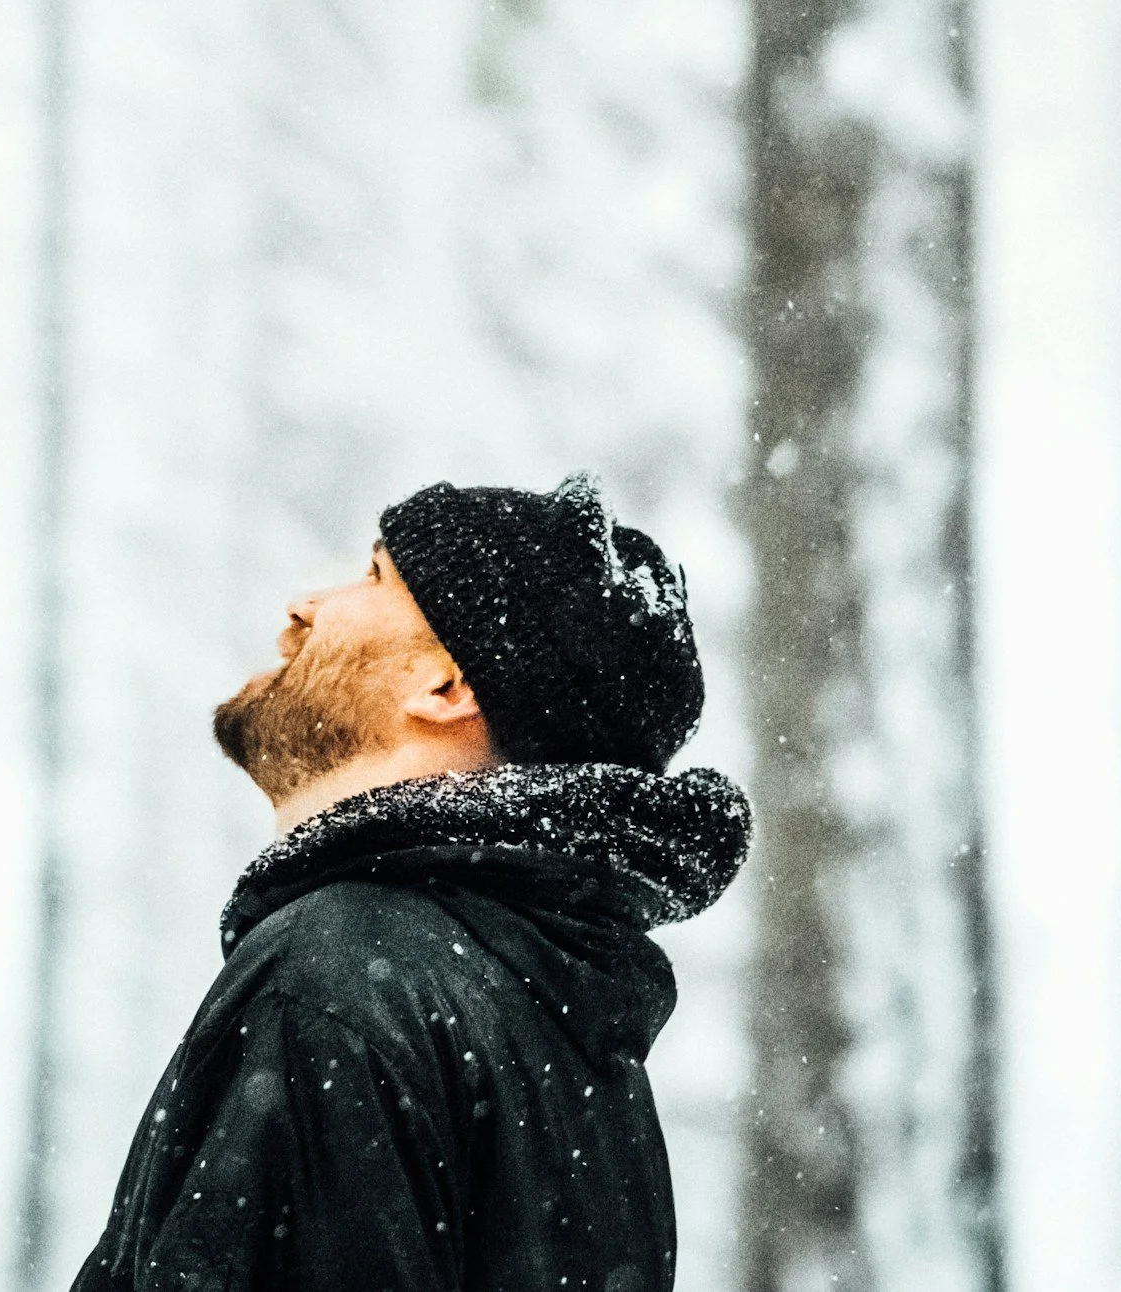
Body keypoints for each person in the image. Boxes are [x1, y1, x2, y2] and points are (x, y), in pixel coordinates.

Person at [69, 472, 752, 1292]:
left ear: (446, 686)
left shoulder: (338, 980)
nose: (303, 607)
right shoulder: (561, 1025)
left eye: (374, 578)